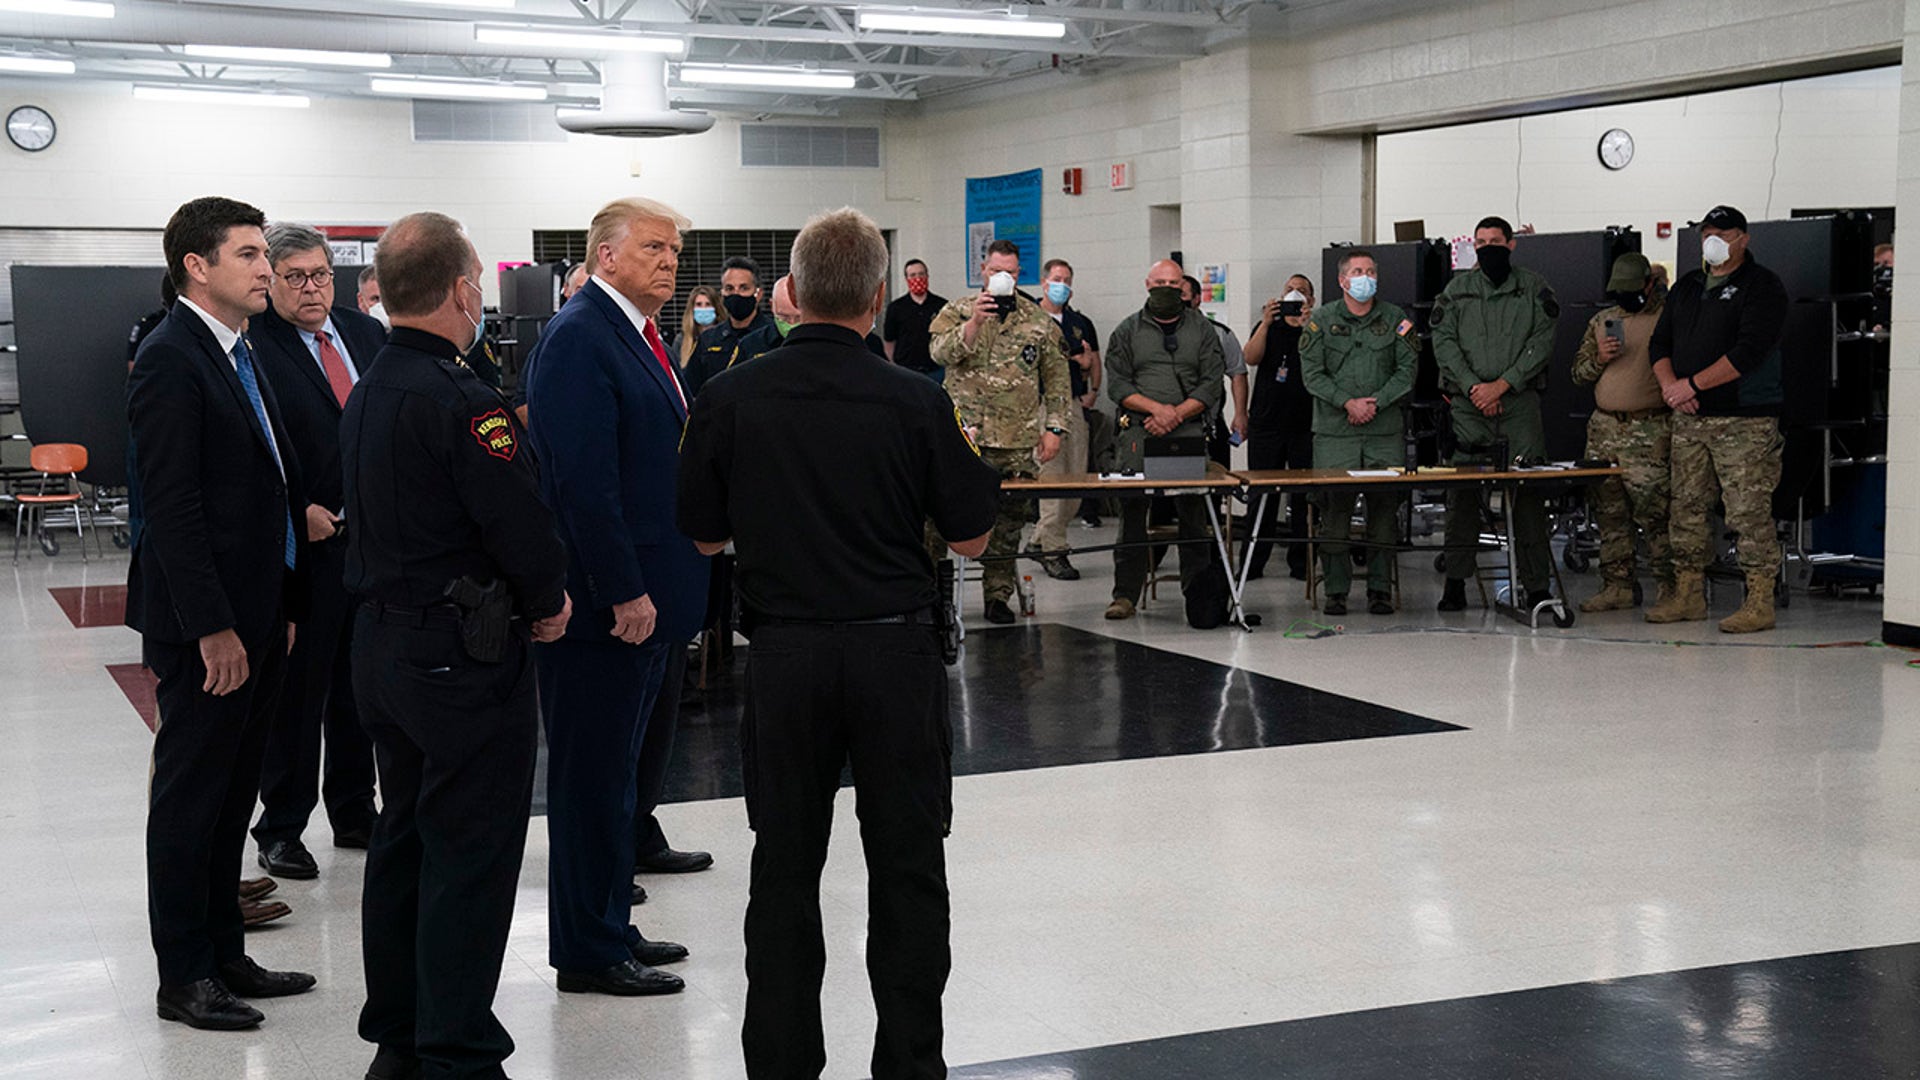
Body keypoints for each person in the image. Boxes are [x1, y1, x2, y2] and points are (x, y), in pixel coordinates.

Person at [676, 206, 1002, 1080]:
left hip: (785, 657)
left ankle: (781, 1065)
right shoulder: (918, 399)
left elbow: (702, 536)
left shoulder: (727, 396)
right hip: (894, 656)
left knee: (783, 869)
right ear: (879, 294)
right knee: (907, 868)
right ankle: (908, 1063)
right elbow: (972, 536)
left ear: (789, 293)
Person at [340, 210, 573, 1080]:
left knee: (404, 842)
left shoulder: (371, 384)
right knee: (470, 855)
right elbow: (520, 525)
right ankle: (458, 1051)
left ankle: (400, 1037)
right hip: (460, 658)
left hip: (383, 648)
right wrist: (548, 604)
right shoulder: (464, 402)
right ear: (463, 288)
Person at [127, 195, 315, 1031]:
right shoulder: (173, 357)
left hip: (259, 609)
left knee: (234, 791)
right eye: (247, 255)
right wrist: (213, 626)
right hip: (207, 626)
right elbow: (171, 506)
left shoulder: (242, 351)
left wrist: (283, 601)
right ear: (196, 267)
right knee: (191, 799)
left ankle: (226, 950)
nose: (265, 269)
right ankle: (185, 976)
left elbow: (274, 482)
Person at [525, 196, 709, 997]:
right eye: (653, 248)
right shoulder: (578, 338)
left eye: (674, 250)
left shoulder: (636, 333)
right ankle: (588, 950)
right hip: (608, 606)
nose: (669, 261)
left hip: (651, 593)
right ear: (605, 256)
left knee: (620, 778)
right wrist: (623, 589)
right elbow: (581, 485)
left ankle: (610, 925)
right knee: (591, 779)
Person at [247, 222, 387, 880]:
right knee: (300, 694)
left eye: (321, 275)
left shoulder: (366, 335)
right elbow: (253, 450)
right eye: (295, 276)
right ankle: (282, 825)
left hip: (374, 544)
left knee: (363, 689)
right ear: (270, 281)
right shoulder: (256, 347)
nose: (311, 288)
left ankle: (356, 810)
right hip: (307, 544)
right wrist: (290, 511)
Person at [1646, 204, 1791, 633]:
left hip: (1744, 419)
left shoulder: (1762, 286)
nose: (1714, 240)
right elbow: (1660, 344)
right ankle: (1688, 593)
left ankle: (1759, 598)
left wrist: (1691, 386)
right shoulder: (1689, 286)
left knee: (1747, 511)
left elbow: (1748, 352)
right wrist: (1673, 387)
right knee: (1687, 508)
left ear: (1743, 239)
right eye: (1708, 232)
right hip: (1690, 417)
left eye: (1724, 233)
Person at [928, 239, 1071, 624]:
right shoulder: (958, 311)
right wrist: (974, 323)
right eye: (995, 271)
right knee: (938, 517)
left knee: (1007, 523)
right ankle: (931, 598)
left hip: (1016, 440)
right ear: (983, 271)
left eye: (1009, 272)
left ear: (1018, 274)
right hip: (963, 437)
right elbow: (938, 354)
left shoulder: (1038, 320)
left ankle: (997, 595)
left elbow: (1057, 379)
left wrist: (1055, 427)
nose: (1002, 277)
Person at [1431, 215, 1560, 611]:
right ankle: (1455, 582)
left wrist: (1503, 385)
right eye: (1480, 241)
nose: (1487, 247)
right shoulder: (1457, 291)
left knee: (1528, 499)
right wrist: (1476, 388)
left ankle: (1537, 586)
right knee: (1462, 500)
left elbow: (1543, 341)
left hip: (1517, 404)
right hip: (1469, 407)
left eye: (1495, 241)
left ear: (1511, 244)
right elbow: (1444, 343)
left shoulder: (1534, 288)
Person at [1101, 259, 1226, 621]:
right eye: (1160, 282)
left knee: (1193, 514)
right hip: (1140, 431)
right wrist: (1158, 411)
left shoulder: (1202, 330)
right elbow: (1119, 384)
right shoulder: (1127, 330)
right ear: (1147, 284)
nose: (1167, 289)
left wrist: (1177, 414)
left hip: (1187, 430)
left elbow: (1211, 382)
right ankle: (1125, 594)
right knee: (1133, 514)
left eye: (1174, 283)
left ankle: (1197, 594)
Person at [1298, 250, 1417, 616]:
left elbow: (1407, 370)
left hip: (1384, 432)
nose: (1365, 277)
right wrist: (1347, 402)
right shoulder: (1319, 321)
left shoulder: (1397, 319)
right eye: (1357, 271)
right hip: (1336, 433)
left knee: (1384, 512)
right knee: (1335, 512)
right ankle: (1336, 590)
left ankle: (1380, 589)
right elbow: (1313, 374)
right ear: (1342, 281)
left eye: (1370, 271)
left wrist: (1375, 403)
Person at [1569, 252, 1673, 614]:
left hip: (1649, 429)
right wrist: (1599, 357)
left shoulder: (1667, 318)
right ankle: (1617, 585)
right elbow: (1578, 373)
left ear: (1649, 284)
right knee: (1609, 513)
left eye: (1633, 289)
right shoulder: (1604, 320)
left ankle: (1670, 588)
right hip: (1604, 429)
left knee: (1656, 512)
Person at [1024, 257, 1099, 581]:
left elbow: (1093, 360)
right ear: (1044, 283)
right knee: (1052, 480)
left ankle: (1040, 541)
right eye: (1057, 278)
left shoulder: (1079, 322)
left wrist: (1092, 385)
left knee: (1076, 482)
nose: (1062, 284)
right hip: (1042, 407)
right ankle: (1056, 551)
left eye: (1067, 279)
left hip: (1073, 403)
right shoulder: (1028, 319)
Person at [1242, 274, 1316, 580]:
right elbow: (1250, 356)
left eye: (1302, 292)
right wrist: (1266, 323)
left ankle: (1301, 563)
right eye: (1290, 290)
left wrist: (1310, 327)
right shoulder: (1267, 327)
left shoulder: (1316, 329)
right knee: (1262, 496)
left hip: (1303, 424)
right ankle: (1252, 562)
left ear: (1311, 300)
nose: (1295, 295)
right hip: (1266, 424)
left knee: (1302, 497)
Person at [1183, 273, 1250, 465]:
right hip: (1169, 423)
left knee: (1217, 483)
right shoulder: (1155, 334)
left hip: (1209, 422)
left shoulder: (1220, 334)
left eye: (1183, 295)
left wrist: (1240, 414)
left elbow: (1237, 373)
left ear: (1197, 299)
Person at [684, 255, 771, 397]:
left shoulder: (773, 336)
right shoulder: (709, 340)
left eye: (744, 288)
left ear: (758, 294)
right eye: (729, 288)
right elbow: (691, 389)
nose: (736, 294)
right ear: (722, 293)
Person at [883, 257, 947, 383]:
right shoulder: (896, 308)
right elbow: (889, 341)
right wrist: (894, 365)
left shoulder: (942, 305)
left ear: (927, 276)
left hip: (935, 370)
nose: (917, 278)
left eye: (921, 274)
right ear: (906, 279)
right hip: (905, 371)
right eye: (912, 275)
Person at [679, 284, 721, 367]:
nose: (703, 309)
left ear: (716, 308)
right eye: (699, 304)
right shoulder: (681, 340)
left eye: (708, 304)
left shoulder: (724, 337)